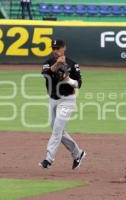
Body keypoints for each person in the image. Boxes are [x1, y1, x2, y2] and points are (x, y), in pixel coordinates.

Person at [38, 39, 86, 170]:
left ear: (64, 48)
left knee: (57, 129)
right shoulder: (48, 63)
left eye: (58, 48)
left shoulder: (73, 64)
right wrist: (56, 65)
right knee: (56, 129)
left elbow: (79, 84)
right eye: (53, 48)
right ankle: (78, 153)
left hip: (67, 101)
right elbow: (45, 74)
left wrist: (68, 79)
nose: (55, 51)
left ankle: (48, 159)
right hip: (52, 100)